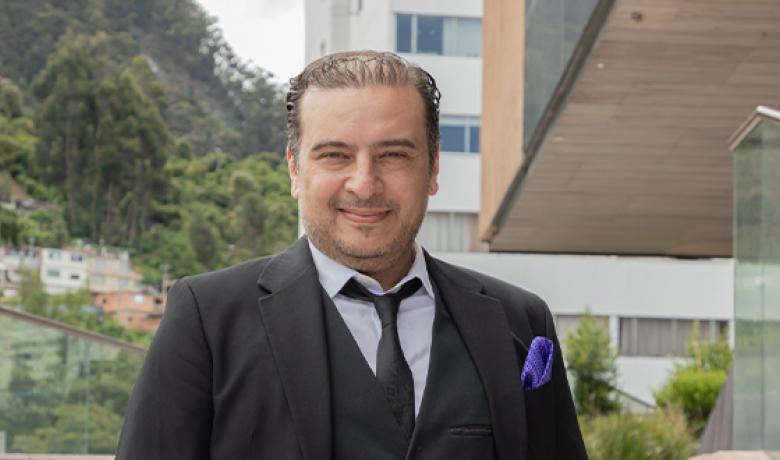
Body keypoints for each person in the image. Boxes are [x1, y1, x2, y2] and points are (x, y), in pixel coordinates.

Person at [116, 50, 587, 460]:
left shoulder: (521, 321)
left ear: (433, 168)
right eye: (335, 155)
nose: (364, 184)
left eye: (393, 155)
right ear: (295, 170)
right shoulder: (207, 319)